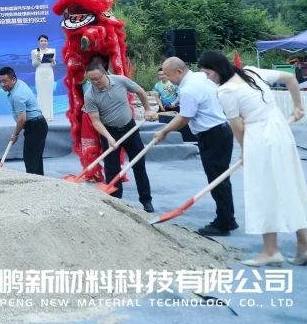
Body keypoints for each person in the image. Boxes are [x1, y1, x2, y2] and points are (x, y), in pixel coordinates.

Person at [198, 50, 307, 266]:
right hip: (280, 132)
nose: (209, 79)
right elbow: (290, 78)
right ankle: (303, 245)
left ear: (217, 69)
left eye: (208, 74)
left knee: (263, 191)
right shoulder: (252, 72)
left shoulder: (226, 91)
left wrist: (245, 150)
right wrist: (298, 106)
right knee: (290, 186)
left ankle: (271, 250)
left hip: (259, 138)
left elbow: (237, 125)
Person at [153, 57, 238, 236]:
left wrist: (164, 131)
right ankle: (228, 218)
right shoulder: (199, 77)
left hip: (213, 135)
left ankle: (223, 223)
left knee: (217, 180)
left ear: (178, 71)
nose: (167, 79)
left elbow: (184, 118)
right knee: (221, 178)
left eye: (168, 75)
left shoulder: (189, 89)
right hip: (220, 132)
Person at [82, 61, 158, 212]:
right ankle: (116, 202)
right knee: (112, 169)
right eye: (92, 80)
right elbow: (96, 121)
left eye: (98, 78)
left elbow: (140, 91)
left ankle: (146, 201)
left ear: (104, 73)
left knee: (139, 165)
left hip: (130, 128)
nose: (96, 82)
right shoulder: (90, 95)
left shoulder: (120, 80)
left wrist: (148, 109)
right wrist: (109, 138)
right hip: (109, 132)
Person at [0, 66, 46, 175]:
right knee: (35, 158)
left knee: (31, 160)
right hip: (37, 125)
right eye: (0, 81)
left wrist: (15, 134)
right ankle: (39, 181)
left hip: (35, 126)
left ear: (13, 79)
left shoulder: (17, 95)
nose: (2, 84)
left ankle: (34, 182)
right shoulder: (18, 83)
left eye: (5, 81)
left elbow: (22, 119)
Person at [30, 34, 57, 120]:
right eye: (41, 41)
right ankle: (40, 116)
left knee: (49, 94)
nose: (43, 42)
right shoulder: (35, 51)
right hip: (39, 73)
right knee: (40, 93)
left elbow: (53, 64)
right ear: (39, 42)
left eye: (45, 41)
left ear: (47, 42)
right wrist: (38, 60)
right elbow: (34, 64)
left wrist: (52, 61)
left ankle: (49, 116)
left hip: (49, 73)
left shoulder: (52, 50)